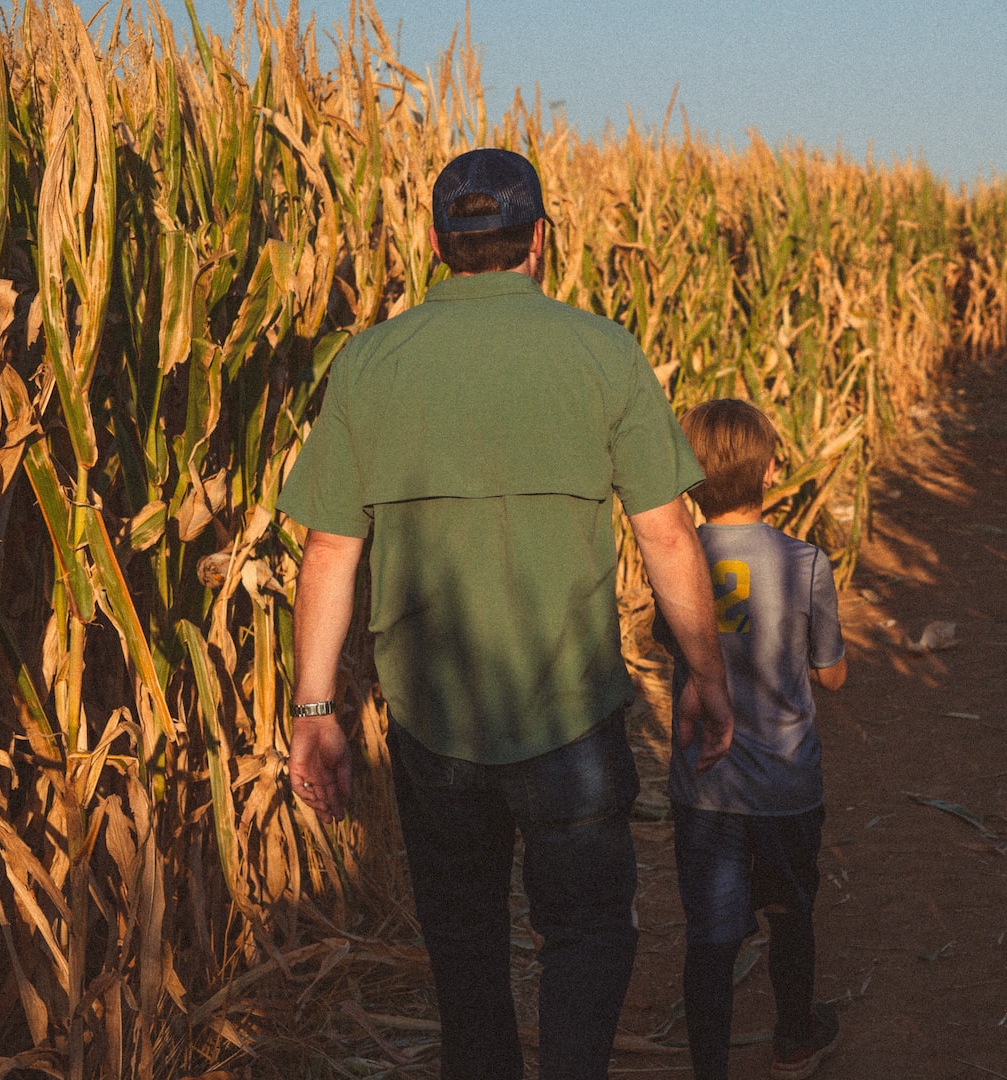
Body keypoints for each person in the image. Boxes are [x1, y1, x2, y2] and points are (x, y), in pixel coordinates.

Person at [277, 147, 737, 1080]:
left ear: (440, 243)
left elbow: (329, 549)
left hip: (432, 726)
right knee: (590, 926)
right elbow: (671, 537)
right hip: (571, 718)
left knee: (462, 935)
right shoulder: (602, 351)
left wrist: (314, 713)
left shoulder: (370, 362)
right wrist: (706, 676)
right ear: (539, 241)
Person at [656, 399, 848, 1080]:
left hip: (706, 787)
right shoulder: (805, 563)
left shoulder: (676, 562)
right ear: (770, 472)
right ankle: (794, 1037)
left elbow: (671, 647)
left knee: (710, 936)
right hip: (787, 785)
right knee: (790, 913)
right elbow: (830, 675)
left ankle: (711, 1067)